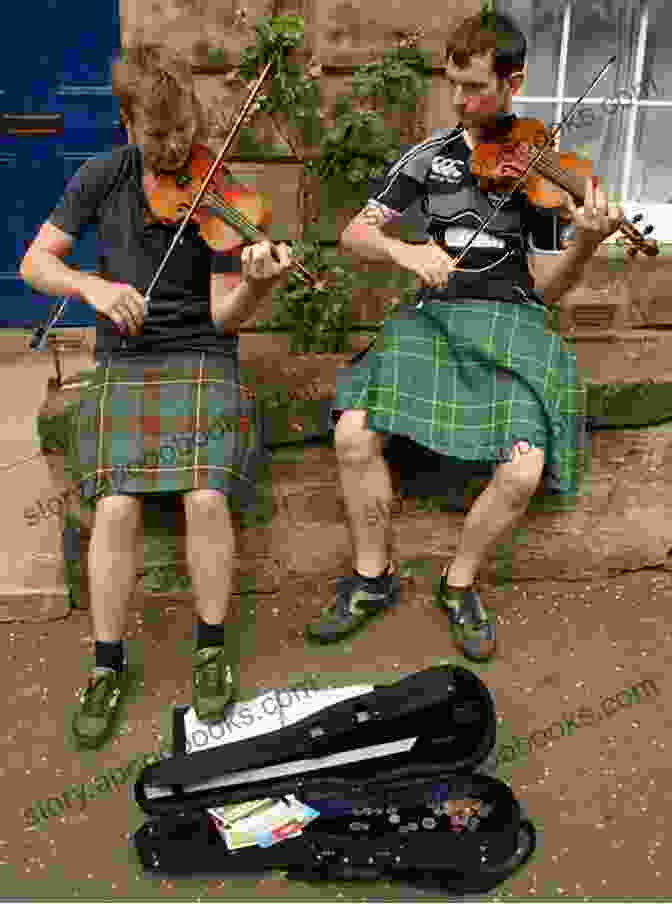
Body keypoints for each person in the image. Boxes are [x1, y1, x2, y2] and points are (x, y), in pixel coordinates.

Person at [305, 11, 623, 661]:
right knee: (352, 431)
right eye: (452, 84)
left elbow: (545, 287)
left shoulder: (539, 165)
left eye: (475, 87)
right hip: (436, 316)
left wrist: (586, 241)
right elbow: (355, 233)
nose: (460, 101)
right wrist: (406, 254)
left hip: (511, 321)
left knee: (524, 467)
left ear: (514, 82)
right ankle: (373, 577)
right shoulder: (429, 158)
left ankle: (459, 581)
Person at [19, 44, 292, 749]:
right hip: (126, 358)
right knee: (113, 506)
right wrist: (94, 287)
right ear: (127, 122)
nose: (176, 149)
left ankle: (208, 646)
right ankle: (107, 663)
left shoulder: (216, 183)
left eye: (185, 131)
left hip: (200, 354)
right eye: (159, 134)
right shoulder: (101, 177)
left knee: (205, 495)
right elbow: (35, 262)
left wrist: (257, 283)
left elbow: (223, 315)